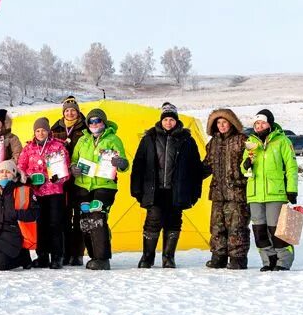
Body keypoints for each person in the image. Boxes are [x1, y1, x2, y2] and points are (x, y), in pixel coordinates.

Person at [130, 102, 203, 268]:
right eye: (166, 119)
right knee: (153, 221)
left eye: (171, 119)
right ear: (161, 120)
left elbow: (195, 168)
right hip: (154, 190)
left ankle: (168, 257)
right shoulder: (149, 138)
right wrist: (136, 188)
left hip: (177, 190)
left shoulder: (187, 141)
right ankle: (147, 257)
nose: (168, 122)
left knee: (174, 222)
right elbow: (138, 164)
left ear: (176, 121)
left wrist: (195, 192)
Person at [69, 108, 128, 270]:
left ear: (104, 122)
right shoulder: (82, 140)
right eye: (91, 121)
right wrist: (73, 168)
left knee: (97, 215)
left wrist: (121, 163)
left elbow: (123, 163)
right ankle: (93, 255)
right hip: (82, 185)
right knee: (85, 219)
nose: (94, 124)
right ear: (87, 124)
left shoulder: (113, 139)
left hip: (104, 185)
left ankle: (102, 258)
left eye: (98, 121)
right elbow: (73, 159)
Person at [241, 109, 298, 271]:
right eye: (257, 123)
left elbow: (291, 167)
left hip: (276, 192)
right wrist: (245, 165)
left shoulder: (282, 141)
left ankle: (283, 261)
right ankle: (268, 260)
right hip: (255, 193)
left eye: (263, 122)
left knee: (277, 229)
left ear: (270, 123)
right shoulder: (251, 143)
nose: (259, 126)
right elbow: (244, 170)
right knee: (259, 230)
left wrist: (292, 189)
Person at [18, 117, 71, 269]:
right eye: (38, 130)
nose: (40, 133)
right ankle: (42, 256)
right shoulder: (28, 148)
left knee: (55, 224)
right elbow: (21, 167)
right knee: (39, 225)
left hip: (54, 192)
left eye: (43, 130)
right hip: (36, 192)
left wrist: (59, 177)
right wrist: (27, 178)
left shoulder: (58, 147)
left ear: (49, 131)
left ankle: (57, 256)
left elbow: (66, 170)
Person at [202, 108, 250, 269]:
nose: (222, 126)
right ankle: (218, 256)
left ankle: (237, 258)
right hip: (217, 192)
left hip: (237, 192)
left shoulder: (242, 140)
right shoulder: (213, 143)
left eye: (225, 122)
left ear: (232, 123)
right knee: (217, 226)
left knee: (237, 226)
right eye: (218, 123)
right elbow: (207, 165)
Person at [0, 160, 38, 271]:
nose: (4, 174)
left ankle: (23, 257)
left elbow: (35, 213)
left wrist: (15, 213)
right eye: (1, 172)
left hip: (13, 233)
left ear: (14, 174)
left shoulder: (24, 190)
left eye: (8, 172)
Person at [50, 96, 87, 266]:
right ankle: (64, 252)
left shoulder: (86, 127)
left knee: (80, 216)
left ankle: (77, 253)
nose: (70, 113)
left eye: (73, 110)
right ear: (63, 112)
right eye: (67, 110)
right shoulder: (55, 128)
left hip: (81, 178)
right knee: (63, 216)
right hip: (61, 179)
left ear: (78, 112)